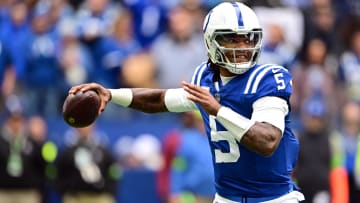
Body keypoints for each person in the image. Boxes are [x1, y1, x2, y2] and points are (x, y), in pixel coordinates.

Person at [69, 2, 305, 202]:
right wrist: (112, 94)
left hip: (274, 198)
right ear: (211, 41)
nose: (242, 48)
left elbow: (268, 141)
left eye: (248, 39)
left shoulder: (267, 79)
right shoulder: (206, 78)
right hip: (226, 198)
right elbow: (159, 100)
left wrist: (218, 110)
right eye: (232, 40)